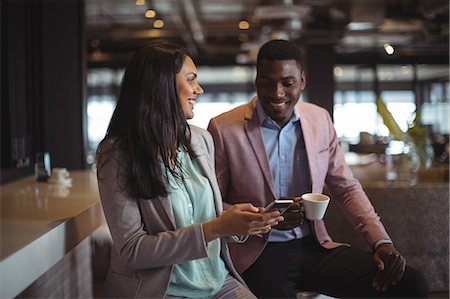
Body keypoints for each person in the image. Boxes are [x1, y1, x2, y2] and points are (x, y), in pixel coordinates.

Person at [207, 39, 429, 298]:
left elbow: (346, 189)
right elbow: (210, 202)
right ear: (257, 81)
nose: (277, 93)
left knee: (412, 284)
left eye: (287, 83)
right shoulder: (223, 128)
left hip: (315, 246)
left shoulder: (319, 119)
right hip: (257, 253)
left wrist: (381, 242)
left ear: (302, 80)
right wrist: (261, 218)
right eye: (267, 83)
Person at [96, 42, 283, 299]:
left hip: (217, 282)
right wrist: (215, 228)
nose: (199, 89)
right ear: (161, 85)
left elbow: (200, 215)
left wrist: (239, 222)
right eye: (191, 79)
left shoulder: (201, 139)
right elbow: (132, 251)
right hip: (163, 290)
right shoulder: (117, 153)